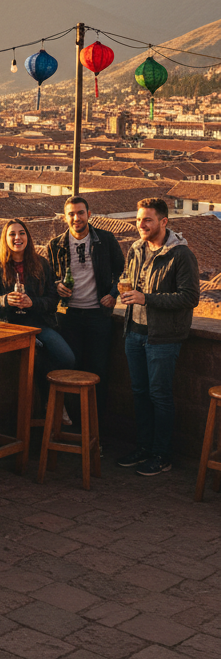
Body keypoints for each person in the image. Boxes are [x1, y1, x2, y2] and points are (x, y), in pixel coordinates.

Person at [117, 197, 200, 476]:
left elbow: (189, 298)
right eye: (139, 219)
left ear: (164, 222)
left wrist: (146, 298)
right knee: (140, 394)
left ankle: (162, 454)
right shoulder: (136, 248)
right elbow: (130, 279)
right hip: (134, 333)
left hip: (163, 338)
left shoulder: (181, 254)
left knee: (160, 396)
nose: (141, 224)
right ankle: (144, 448)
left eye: (147, 219)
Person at [45, 195, 126, 432]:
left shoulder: (106, 240)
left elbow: (123, 272)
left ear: (89, 215)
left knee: (98, 372)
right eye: (71, 213)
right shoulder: (55, 245)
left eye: (80, 212)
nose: (76, 217)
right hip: (68, 317)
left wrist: (113, 294)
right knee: (71, 371)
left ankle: (95, 430)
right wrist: (57, 286)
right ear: (64, 217)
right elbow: (49, 279)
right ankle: (76, 429)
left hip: (98, 317)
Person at [0, 219, 75, 411]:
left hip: (38, 324)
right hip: (10, 328)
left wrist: (33, 302)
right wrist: (6, 300)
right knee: (37, 360)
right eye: (12, 234)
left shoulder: (41, 264)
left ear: (28, 237)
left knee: (67, 358)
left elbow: (52, 300)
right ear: (5, 239)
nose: (18, 238)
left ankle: (52, 402)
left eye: (22, 233)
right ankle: (52, 407)